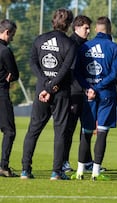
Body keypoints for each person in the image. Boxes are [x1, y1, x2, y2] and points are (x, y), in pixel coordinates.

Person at [20, 8, 75, 180]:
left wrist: (45, 84)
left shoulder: (40, 40)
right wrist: (52, 85)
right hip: (60, 93)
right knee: (60, 131)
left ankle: (25, 170)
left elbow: (33, 63)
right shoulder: (69, 44)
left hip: (41, 92)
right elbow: (66, 69)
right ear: (69, 24)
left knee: (33, 130)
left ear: (53, 21)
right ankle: (56, 172)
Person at [72, 16, 117, 181]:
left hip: (89, 95)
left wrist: (89, 88)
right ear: (110, 29)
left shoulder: (84, 46)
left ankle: (79, 171)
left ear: (95, 29)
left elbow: (77, 72)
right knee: (102, 133)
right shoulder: (115, 48)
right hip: (106, 94)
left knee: (86, 132)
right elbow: (114, 74)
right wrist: (98, 87)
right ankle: (95, 172)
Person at [62, 15, 92, 173]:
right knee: (69, 129)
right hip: (73, 93)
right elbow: (71, 72)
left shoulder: (87, 45)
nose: (88, 31)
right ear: (76, 27)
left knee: (86, 129)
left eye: (89, 28)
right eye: (86, 28)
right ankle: (63, 161)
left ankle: (86, 161)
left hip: (85, 94)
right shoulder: (70, 44)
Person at [0, 19, 19, 177]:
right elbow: (15, 74)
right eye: (12, 35)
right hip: (1, 94)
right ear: (7, 32)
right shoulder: (5, 51)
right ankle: (3, 166)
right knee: (9, 131)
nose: (12, 38)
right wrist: (9, 76)